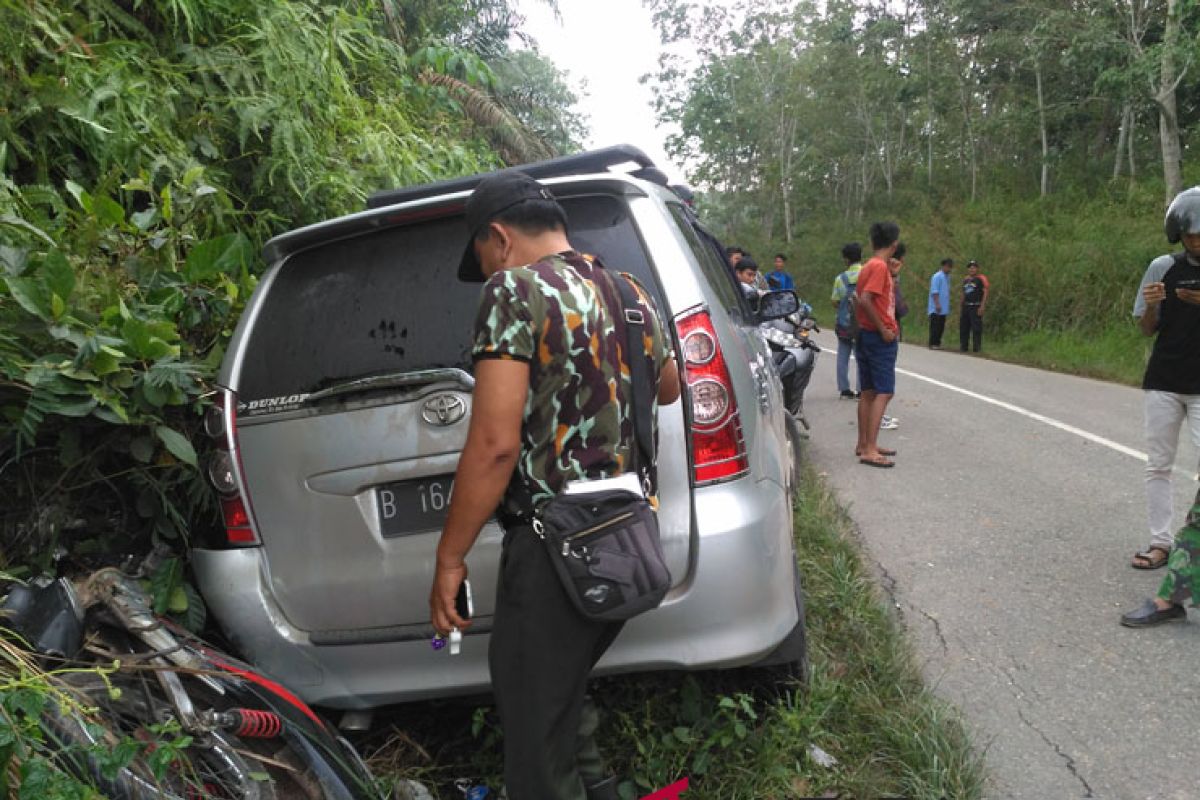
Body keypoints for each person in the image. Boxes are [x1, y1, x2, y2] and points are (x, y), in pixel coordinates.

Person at [429, 170, 681, 798]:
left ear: (498, 237)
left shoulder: (514, 292)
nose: (487, 271)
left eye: (483, 258)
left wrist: (450, 557)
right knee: (559, 691)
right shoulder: (629, 291)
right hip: (627, 535)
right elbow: (670, 385)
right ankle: (597, 787)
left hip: (555, 548)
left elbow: (494, 446)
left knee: (533, 725)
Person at [1126, 186, 1200, 572]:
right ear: (1179, 234)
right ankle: (1161, 542)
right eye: (1191, 234)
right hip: (1165, 379)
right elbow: (1145, 329)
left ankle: (1195, 543)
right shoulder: (1162, 267)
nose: (1197, 241)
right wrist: (1154, 305)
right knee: (1158, 464)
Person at [854, 221, 901, 467]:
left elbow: (858, 298)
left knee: (869, 392)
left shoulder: (870, 266)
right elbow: (865, 299)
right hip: (878, 336)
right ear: (894, 245)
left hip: (865, 334)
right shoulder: (879, 267)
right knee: (884, 391)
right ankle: (870, 449)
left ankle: (864, 443)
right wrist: (883, 329)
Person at [831, 243, 863, 399]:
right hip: (862, 325)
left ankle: (844, 389)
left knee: (843, 356)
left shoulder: (839, 279)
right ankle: (861, 389)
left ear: (846, 259)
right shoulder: (866, 275)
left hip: (844, 324)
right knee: (861, 357)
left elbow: (835, 301)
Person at [959, 259, 987, 352]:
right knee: (964, 327)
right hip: (966, 306)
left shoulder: (981, 278)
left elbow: (985, 291)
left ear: (977, 269)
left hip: (976, 305)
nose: (972, 269)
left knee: (976, 328)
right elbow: (963, 292)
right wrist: (961, 303)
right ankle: (964, 346)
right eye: (970, 268)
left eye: (974, 268)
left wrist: (982, 305)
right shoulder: (966, 279)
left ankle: (977, 348)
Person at [928, 258, 953, 348]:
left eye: (950, 267)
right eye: (947, 267)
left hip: (944, 307)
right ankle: (932, 343)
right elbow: (934, 291)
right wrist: (937, 304)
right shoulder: (937, 276)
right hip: (935, 307)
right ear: (943, 266)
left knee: (941, 326)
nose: (949, 269)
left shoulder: (948, 277)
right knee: (935, 325)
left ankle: (937, 342)